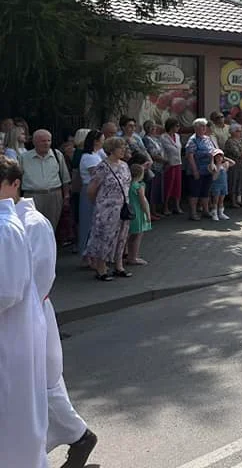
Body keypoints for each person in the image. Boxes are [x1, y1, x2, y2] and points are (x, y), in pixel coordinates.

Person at [7, 172, 99, 467]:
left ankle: (78, 436)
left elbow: (40, 277)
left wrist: (25, 306)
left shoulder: (32, 223)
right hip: (18, 316)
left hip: (29, 315)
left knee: (43, 385)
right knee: (40, 387)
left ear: (14, 184)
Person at [0, 161, 47, 468]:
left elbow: (7, 291)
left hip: (11, 335)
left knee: (15, 416)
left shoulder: (6, 229)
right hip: (13, 331)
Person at [83, 136, 132, 281]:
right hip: (106, 209)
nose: (123, 150)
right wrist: (100, 205)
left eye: (124, 147)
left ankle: (119, 266)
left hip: (122, 207)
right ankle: (101, 268)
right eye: (120, 147)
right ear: (111, 150)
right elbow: (91, 189)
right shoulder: (102, 166)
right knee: (104, 237)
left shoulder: (124, 165)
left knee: (121, 237)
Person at [18, 129, 71, 229]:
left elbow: (65, 178)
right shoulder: (23, 157)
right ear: (34, 142)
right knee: (32, 227)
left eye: (48, 140)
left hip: (54, 195)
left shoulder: (57, 155)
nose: (46, 143)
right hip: (32, 196)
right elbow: (17, 180)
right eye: (43, 141)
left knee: (51, 227)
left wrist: (66, 197)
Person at [76, 130, 104, 253]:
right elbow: (97, 175)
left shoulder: (97, 154)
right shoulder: (88, 157)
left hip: (98, 190)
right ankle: (85, 252)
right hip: (90, 189)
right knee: (88, 222)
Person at [184, 118, 216, 221]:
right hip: (197, 169)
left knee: (205, 191)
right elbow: (190, 156)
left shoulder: (207, 138)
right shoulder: (192, 140)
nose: (204, 128)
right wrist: (195, 171)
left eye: (205, 126)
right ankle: (193, 213)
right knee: (195, 192)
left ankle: (205, 211)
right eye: (201, 126)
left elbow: (213, 151)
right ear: (195, 128)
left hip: (208, 169)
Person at [125, 163, 152, 265]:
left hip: (130, 211)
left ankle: (129, 255)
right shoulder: (139, 186)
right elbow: (143, 201)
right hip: (138, 213)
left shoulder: (128, 184)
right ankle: (134, 257)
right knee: (138, 236)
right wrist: (148, 214)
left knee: (130, 235)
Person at [160, 118, 183, 215]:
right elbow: (163, 150)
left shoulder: (177, 136)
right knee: (168, 185)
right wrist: (165, 162)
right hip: (169, 164)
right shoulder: (163, 137)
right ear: (171, 126)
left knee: (177, 186)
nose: (178, 128)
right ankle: (165, 207)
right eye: (176, 126)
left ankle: (176, 206)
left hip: (178, 163)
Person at [208, 149, 235, 222]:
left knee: (221, 200)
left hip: (224, 185)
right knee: (215, 200)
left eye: (220, 156)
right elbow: (214, 177)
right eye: (217, 157)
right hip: (216, 185)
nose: (219, 158)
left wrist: (224, 157)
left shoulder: (225, 164)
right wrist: (216, 164)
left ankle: (221, 213)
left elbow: (233, 162)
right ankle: (214, 213)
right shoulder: (213, 166)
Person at [224, 124, 242, 209]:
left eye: (240, 131)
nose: (240, 133)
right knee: (233, 182)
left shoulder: (241, 141)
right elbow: (238, 154)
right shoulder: (230, 142)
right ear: (232, 132)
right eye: (237, 131)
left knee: (240, 182)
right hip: (234, 165)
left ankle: (239, 200)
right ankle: (233, 201)